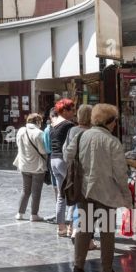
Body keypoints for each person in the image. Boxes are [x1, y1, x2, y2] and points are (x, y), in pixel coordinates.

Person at [63, 104, 132, 272]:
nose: (116, 124)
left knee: (84, 229)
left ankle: (78, 266)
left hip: (85, 191)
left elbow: (67, 155)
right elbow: (120, 173)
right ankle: (107, 270)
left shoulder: (81, 136)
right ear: (109, 122)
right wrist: (126, 196)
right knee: (107, 232)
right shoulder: (112, 142)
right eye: (115, 121)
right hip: (107, 193)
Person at [65, 105, 98, 251]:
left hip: (75, 172)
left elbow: (65, 151)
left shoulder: (72, 130)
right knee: (90, 208)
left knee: (80, 203)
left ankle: (74, 230)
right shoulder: (93, 133)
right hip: (90, 173)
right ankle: (87, 239)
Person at [46, 99, 76, 235]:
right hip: (63, 160)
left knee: (61, 195)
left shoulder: (52, 125)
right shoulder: (68, 125)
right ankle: (71, 226)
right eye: (71, 110)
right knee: (73, 193)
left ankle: (61, 227)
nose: (73, 112)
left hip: (53, 160)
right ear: (64, 110)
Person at [14, 113, 49, 222]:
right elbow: (43, 150)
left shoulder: (20, 130)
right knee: (36, 192)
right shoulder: (39, 133)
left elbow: (18, 145)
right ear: (38, 122)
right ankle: (34, 215)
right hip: (37, 166)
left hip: (24, 165)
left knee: (25, 190)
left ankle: (20, 213)